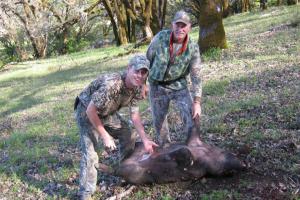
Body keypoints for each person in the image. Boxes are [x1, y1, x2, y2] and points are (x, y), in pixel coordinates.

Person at [74, 55, 158, 200]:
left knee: (128, 132)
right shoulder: (112, 85)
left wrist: (145, 139)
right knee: (91, 151)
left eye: (143, 73)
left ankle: (125, 170)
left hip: (107, 112)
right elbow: (90, 111)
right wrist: (105, 136)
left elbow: (135, 116)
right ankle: (86, 192)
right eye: (137, 71)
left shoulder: (137, 88)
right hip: (86, 110)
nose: (139, 75)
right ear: (128, 69)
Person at [146, 10, 202, 146]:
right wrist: (143, 84)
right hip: (157, 85)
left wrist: (197, 101)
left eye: (184, 26)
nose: (180, 29)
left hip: (178, 85)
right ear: (172, 25)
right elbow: (147, 60)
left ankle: (193, 145)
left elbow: (196, 75)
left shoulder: (193, 47)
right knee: (159, 122)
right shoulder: (160, 38)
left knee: (192, 115)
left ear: (189, 27)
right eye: (177, 25)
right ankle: (166, 149)